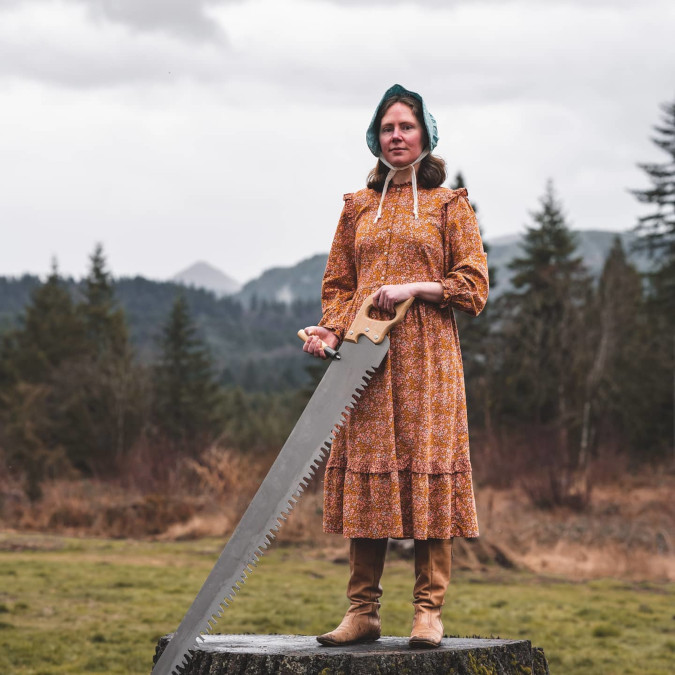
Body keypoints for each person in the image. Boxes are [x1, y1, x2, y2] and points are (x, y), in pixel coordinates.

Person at [302, 84, 488, 649]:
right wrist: (328, 329)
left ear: (426, 135)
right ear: (375, 138)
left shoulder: (449, 205)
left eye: (406, 127)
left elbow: (474, 287)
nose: (397, 136)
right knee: (370, 483)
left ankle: (428, 613)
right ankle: (363, 611)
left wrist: (413, 287)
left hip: (428, 362)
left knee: (428, 476)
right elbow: (340, 284)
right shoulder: (357, 207)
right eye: (387, 128)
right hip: (366, 359)